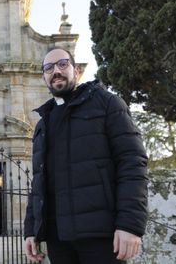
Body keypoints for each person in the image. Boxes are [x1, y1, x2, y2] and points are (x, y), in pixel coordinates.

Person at [24, 47, 149, 263]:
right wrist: (30, 230)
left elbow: (132, 163)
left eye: (63, 64)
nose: (56, 71)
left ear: (77, 70)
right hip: (58, 239)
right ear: (44, 76)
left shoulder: (107, 103)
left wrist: (130, 225)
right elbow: (39, 182)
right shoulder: (43, 123)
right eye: (48, 68)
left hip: (101, 236)